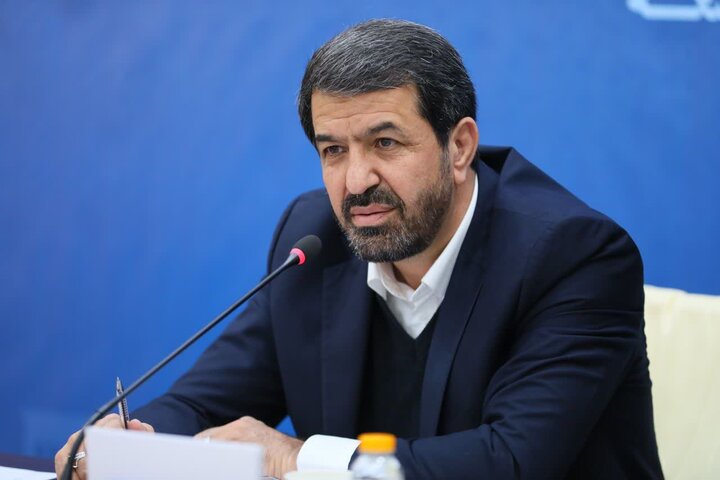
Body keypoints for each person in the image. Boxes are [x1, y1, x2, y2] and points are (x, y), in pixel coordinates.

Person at [56, 19, 663, 479]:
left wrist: (297, 458)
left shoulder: (573, 256)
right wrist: (126, 447)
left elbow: (511, 462)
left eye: (385, 143)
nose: (355, 182)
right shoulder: (315, 241)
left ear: (458, 147)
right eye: (333, 151)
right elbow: (203, 401)